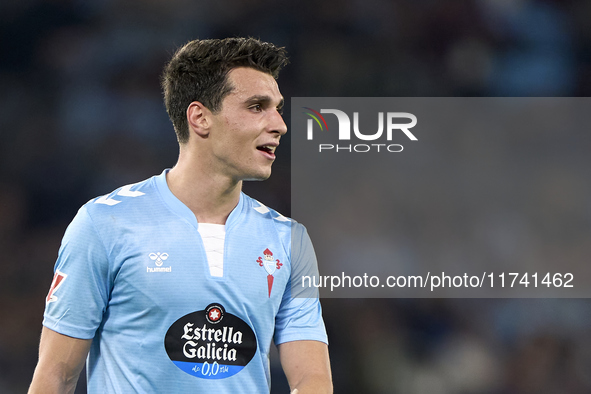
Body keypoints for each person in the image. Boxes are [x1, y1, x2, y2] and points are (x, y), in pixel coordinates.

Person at [28, 37, 332, 394]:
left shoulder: (287, 238)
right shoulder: (105, 223)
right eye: (256, 107)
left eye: (278, 108)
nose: (279, 124)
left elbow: (312, 380)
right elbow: (56, 377)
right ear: (200, 118)